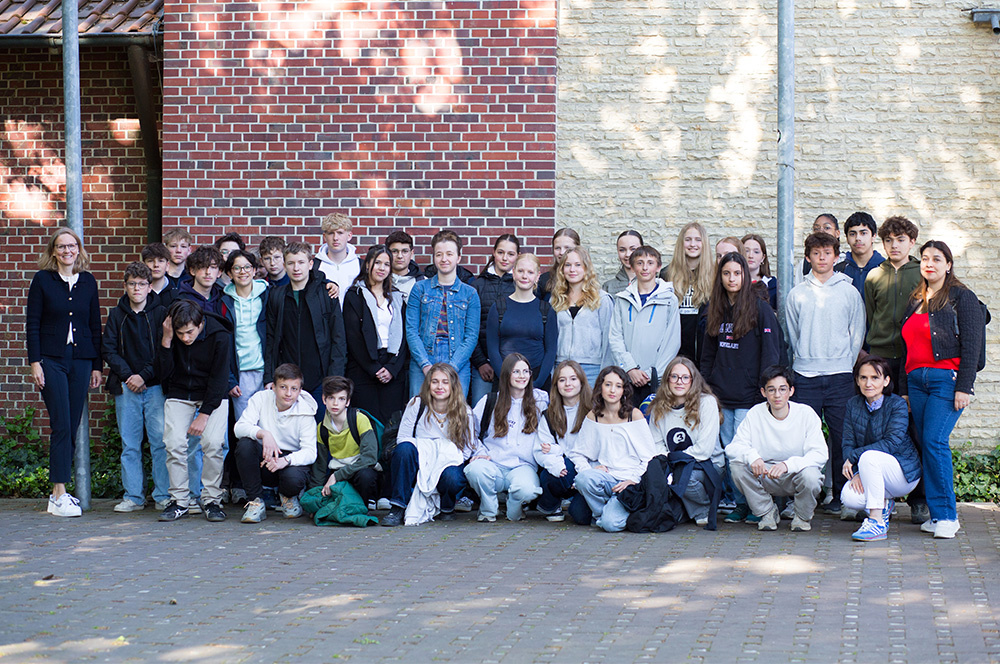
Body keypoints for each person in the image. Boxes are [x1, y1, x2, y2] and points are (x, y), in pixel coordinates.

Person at [899, 240, 984, 539]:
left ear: (948, 265)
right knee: (926, 444)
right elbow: (905, 348)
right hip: (916, 381)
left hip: (945, 380)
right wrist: (904, 390)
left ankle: (948, 516)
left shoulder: (962, 297)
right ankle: (936, 515)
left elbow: (972, 345)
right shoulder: (915, 300)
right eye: (925, 258)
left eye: (937, 259)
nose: (929, 263)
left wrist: (965, 387)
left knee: (935, 441)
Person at [786, 232, 865, 515]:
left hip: (840, 375)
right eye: (816, 253)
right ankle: (799, 499)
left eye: (827, 252)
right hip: (805, 375)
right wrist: (805, 358)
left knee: (843, 437)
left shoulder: (849, 292)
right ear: (808, 258)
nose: (822, 258)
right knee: (802, 438)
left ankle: (844, 497)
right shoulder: (797, 293)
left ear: (836, 256)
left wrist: (845, 362)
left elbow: (857, 332)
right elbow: (793, 334)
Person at [26, 228, 103, 517]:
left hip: (81, 360)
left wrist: (97, 365)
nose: (67, 251)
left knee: (71, 424)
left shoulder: (88, 281)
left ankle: (56, 494)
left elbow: (95, 324)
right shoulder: (42, 280)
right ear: (54, 252)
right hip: (51, 360)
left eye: (71, 246)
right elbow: (32, 323)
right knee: (61, 424)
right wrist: (35, 362)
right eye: (61, 246)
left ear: (78, 249)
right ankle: (59, 492)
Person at [700, 252, 781, 523]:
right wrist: (707, 390)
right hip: (721, 395)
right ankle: (740, 503)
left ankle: (759, 504)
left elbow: (771, 353)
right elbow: (707, 355)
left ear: (745, 275)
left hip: (750, 396)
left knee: (747, 452)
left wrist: (764, 390)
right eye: (726, 273)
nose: (732, 278)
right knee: (729, 452)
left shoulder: (760, 309)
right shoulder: (715, 308)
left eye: (737, 273)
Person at [155, 300, 233, 522]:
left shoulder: (220, 335)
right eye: (180, 333)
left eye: (190, 332)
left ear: (201, 324)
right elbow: (161, 373)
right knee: (173, 443)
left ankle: (212, 500)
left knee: (213, 443)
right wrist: (167, 340)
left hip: (213, 395)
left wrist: (204, 414)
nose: (185, 338)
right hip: (180, 392)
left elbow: (220, 379)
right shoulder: (170, 334)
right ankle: (179, 501)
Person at [725, 366, 828, 531]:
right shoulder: (755, 413)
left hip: (795, 473)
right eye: (771, 390)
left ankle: (802, 517)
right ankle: (767, 512)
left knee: (812, 475)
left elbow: (820, 453)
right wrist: (753, 456)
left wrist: (788, 465)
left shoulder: (806, 414)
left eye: (782, 389)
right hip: (765, 473)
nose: (777, 395)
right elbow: (734, 448)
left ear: (791, 391)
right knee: (737, 466)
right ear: (763, 392)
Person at [102, 262, 169, 513]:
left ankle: (163, 495)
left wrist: (144, 375)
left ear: (150, 287)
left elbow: (165, 350)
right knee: (130, 445)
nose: (137, 288)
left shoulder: (161, 313)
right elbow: (108, 349)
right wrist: (130, 376)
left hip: (156, 387)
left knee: (160, 443)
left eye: (142, 284)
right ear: (125, 286)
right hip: (126, 387)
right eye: (132, 284)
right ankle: (133, 497)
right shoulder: (116, 315)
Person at [380, 363, 476, 526]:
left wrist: (441, 458)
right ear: (428, 384)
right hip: (420, 459)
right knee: (404, 449)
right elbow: (403, 438)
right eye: (435, 381)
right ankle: (398, 507)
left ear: (453, 385)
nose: (440, 387)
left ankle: (447, 506)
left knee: (452, 478)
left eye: (445, 382)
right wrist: (428, 454)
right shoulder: (417, 404)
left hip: (447, 461)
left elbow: (467, 448)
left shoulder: (464, 411)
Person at [840, 356, 922, 542]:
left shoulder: (897, 404)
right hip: (871, 466)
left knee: (869, 457)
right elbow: (848, 442)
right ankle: (884, 505)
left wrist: (855, 458)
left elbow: (891, 443)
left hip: (902, 473)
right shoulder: (853, 404)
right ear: (857, 380)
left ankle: (876, 522)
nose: (868, 383)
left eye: (875, 378)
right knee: (849, 498)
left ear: (886, 381)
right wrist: (857, 472)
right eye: (863, 378)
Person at [265, 242, 347, 421]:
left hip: (320, 379)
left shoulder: (326, 294)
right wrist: (269, 378)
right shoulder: (277, 296)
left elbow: (338, 338)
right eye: (291, 263)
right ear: (284, 265)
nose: (296, 268)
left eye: (301, 262)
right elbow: (271, 339)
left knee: (321, 428)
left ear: (310, 264)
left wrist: (334, 379)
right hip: (287, 380)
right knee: (287, 428)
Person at [465, 353, 549, 522]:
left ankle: (514, 507)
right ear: (506, 374)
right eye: (516, 372)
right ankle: (488, 509)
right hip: (493, 464)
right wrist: (479, 452)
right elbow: (469, 430)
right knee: (475, 470)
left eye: (526, 371)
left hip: (523, 466)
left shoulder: (540, 401)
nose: (522, 376)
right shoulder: (490, 401)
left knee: (527, 490)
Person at [571, 366, 655, 532]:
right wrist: (590, 469)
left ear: (624, 390)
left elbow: (650, 457)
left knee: (611, 525)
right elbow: (578, 453)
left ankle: (608, 515)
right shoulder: (593, 416)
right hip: (606, 479)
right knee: (583, 478)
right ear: (600, 387)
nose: (612, 390)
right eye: (608, 384)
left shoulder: (634, 415)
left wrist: (633, 480)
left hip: (629, 481)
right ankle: (603, 513)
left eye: (618, 386)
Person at [233, 362, 317, 522]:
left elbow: (311, 452)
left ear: (300, 390)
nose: (288, 393)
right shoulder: (260, 398)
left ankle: (288, 497)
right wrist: (264, 434)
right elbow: (239, 427)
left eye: (294, 389)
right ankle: (256, 502)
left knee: (293, 479)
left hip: (289, 461)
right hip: (265, 457)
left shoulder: (306, 411)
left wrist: (285, 460)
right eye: (283, 387)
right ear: (273, 387)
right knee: (244, 445)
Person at [646, 357, 724, 527]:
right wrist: (670, 461)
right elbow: (656, 444)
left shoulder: (706, 403)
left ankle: (703, 509)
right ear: (667, 379)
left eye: (685, 377)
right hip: (673, 462)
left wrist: (673, 460)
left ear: (693, 380)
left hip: (706, 464)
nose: (679, 382)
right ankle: (686, 508)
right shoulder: (658, 405)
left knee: (684, 479)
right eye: (674, 377)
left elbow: (704, 450)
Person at [405, 230, 481, 398]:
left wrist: (452, 368)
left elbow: (471, 336)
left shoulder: (470, 294)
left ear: (458, 258)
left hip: (457, 360)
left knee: (455, 410)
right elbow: (411, 330)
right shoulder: (419, 289)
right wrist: (425, 364)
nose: (444, 259)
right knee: (420, 408)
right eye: (439, 254)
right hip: (423, 357)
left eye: (449, 254)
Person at [343, 245, 409, 422]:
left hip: (392, 367)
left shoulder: (397, 297)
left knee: (391, 423)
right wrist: (374, 368)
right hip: (364, 367)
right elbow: (353, 337)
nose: (382, 268)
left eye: (386, 264)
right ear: (367, 265)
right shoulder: (355, 295)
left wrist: (392, 368)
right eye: (377, 263)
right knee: (366, 421)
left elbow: (404, 337)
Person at [609, 246, 681, 405]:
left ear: (658, 267)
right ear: (632, 267)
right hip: (627, 378)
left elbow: (672, 342)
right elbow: (615, 337)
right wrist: (630, 368)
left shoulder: (669, 300)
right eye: (640, 263)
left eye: (650, 263)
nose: (645, 268)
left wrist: (651, 373)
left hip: (655, 380)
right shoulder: (623, 299)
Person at [486, 253, 558, 391]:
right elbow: (493, 349)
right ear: (513, 273)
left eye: (530, 272)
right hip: (505, 379)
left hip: (537, 380)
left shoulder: (546, 310)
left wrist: (537, 383)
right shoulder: (499, 308)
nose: (525, 276)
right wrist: (506, 379)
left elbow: (551, 351)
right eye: (520, 271)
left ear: (537, 276)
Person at [534, 360, 593, 524]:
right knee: (550, 475)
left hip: (588, 468)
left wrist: (586, 475)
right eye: (562, 380)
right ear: (556, 385)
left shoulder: (594, 412)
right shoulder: (548, 415)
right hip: (563, 468)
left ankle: (577, 499)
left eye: (573, 379)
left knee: (580, 516)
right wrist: (556, 465)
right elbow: (540, 450)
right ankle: (551, 505)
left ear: (581, 382)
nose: (568, 384)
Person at [864, 215, 920, 389]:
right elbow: (871, 314)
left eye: (901, 240)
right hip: (880, 355)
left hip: (912, 354)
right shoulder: (874, 276)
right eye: (888, 240)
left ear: (912, 242)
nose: (894, 245)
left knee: (908, 403)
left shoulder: (922, 274)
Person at [310, 375, 380, 510]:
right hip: (338, 473)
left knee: (366, 476)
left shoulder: (359, 419)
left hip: (359, 470)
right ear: (324, 399)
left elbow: (370, 458)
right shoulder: (322, 428)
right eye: (331, 398)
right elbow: (320, 467)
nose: (335, 403)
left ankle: (363, 506)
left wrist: (336, 476)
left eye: (341, 399)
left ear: (347, 402)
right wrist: (315, 497)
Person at [549, 246, 614, 386]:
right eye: (568, 265)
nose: (572, 269)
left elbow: (608, 340)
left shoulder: (602, 299)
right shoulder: (555, 300)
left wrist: (606, 374)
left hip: (592, 369)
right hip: (562, 367)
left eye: (578, 265)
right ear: (562, 269)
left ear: (586, 268)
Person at [470, 234, 519, 404]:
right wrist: (480, 362)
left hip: (513, 366)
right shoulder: (477, 286)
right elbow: (471, 328)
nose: (505, 258)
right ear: (493, 253)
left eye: (511, 254)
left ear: (517, 256)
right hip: (484, 367)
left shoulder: (521, 285)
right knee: (480, 411)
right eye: (500, 252)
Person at [222, 250, 269, 419]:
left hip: (264, 372)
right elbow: (223, 344)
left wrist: (272, 375)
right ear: (229, 273)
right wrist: (230, 379)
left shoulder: (267, 295)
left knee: (268, 424)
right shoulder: (224, 301)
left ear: (254, 270)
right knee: (245, 425)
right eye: (237, 268)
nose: (243, 272)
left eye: (247, 267)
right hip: (240, 374)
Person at [665, 222, 713, 363]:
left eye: (698, 240)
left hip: (702, 351)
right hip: (673, 353)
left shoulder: (714, 276)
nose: (693, 244)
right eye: (688, 239)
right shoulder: (666, 275)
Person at [834, 212, 884, 301]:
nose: (858, 238)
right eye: (852, 234)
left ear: (873, 236)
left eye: (863, 233)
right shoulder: (838, 271)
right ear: (847, 239)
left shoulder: (885, 269)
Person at [314, 212, 361, 305]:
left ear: (349, 236)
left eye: (340, 233)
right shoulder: (315, 266)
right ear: (324, 237)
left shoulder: (360, 265)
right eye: (331, 233)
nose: (335, 238)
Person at [177, 245, 225, 315]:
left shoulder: (222, 301)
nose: (208, 272)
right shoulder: (180, 301)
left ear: (219, 273)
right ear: (192, 270)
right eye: (203, 267)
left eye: (213, 267)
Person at [537, 228, 580, 298]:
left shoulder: (586, 279)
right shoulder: (544, 280)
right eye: (557, 248)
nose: (562, 252)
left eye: (567, 248)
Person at [385, 230, 424, 302]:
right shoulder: (379, 280)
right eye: (394, 251)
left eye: (405, 251)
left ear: (411, 254)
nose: (400, 256)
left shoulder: (423, 283)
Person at [741, 233, 777, 310]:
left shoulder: (773, 285)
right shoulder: (733, 282)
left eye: (756, 252)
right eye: (746, 251)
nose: (750, 255)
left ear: (763, 257)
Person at [603, 230, 643, 296]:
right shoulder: (608, 287)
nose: (627, 254)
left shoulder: (656, 283)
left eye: (633, 249)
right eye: (622, 250)